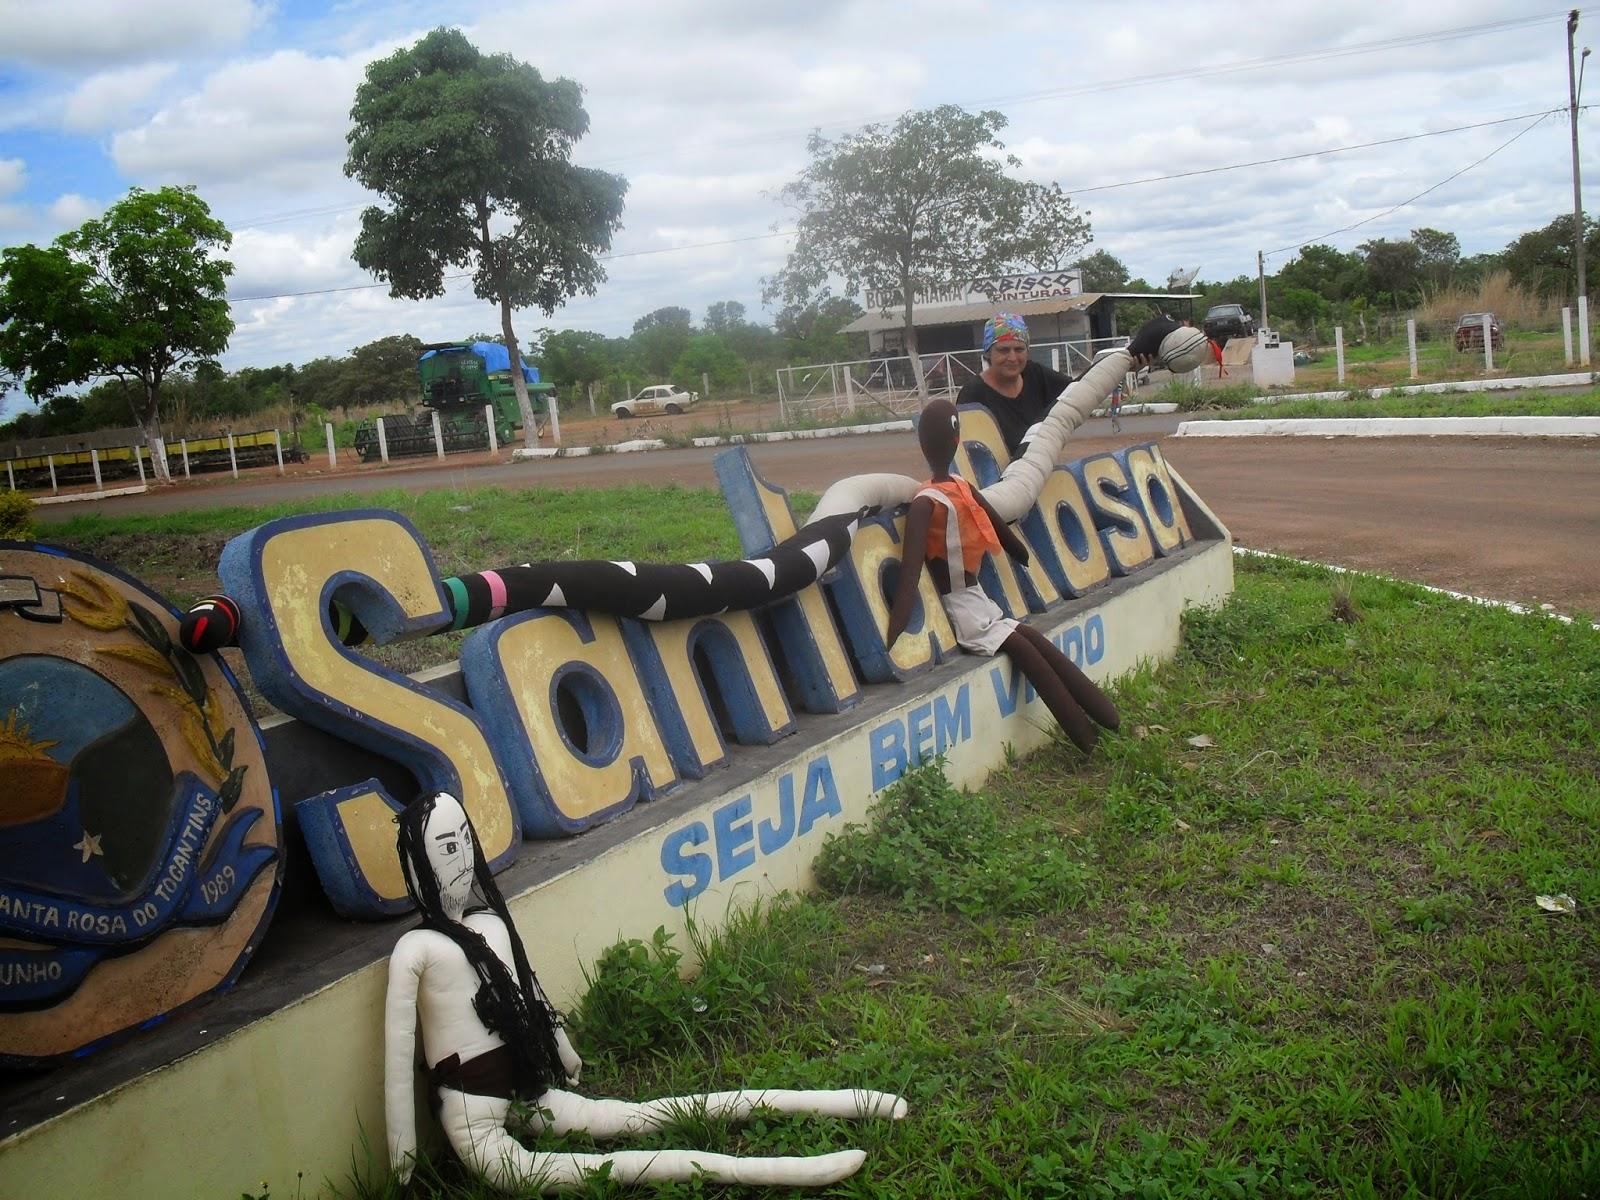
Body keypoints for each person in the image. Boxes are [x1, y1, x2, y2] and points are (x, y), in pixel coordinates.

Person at [384, 791, 908, 1193]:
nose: (460, 859)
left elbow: (532, 999)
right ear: (418, 863)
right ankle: (775, 1165)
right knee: (584, 1167)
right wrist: (403, 1161)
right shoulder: (417, 950)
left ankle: (854, 1104)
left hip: (530, 1087)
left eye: (464, 842)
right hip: (473, 1114)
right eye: (445, 847)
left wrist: (563, 1053)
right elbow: (398, 1057)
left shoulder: (492, 926)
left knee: (632, 1115)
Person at [884, 399, 1121, 754]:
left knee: (1035, 641)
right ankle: (1088, 740)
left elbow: (994, 522)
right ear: (956, 440)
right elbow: (912, 571)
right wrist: (894, 629)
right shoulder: (926, 502)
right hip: (962, 610)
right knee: (1026, 649)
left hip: (978, 599)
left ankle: (1109, 720)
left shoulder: (959, 487)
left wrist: (1018, 551)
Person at [955, 312, 1073, 457]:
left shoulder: (1036, 375)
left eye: (1019, 349)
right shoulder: (973, 394)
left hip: (1041, 471)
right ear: (987, 353)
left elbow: (1080, 390)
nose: (1012, 358)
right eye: (1003, 350)